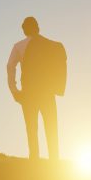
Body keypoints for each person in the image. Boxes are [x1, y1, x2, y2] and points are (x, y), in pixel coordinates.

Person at [7, 17, 66, 160]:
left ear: (24, 29)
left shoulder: (19, 46)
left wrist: (14, 91)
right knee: (51, 128)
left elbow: (10, 67)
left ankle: (34, 160)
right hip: (47, 92)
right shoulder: (50, 44)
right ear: (37, 27)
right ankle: (54, 161)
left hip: (28, 94)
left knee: (31, 129)